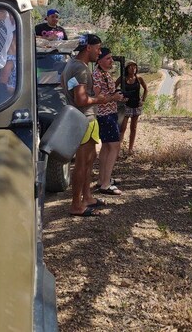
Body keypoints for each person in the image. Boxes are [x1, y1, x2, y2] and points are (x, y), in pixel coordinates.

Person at [61, 34, 124, 217]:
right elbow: (81, 99)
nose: (99, 52)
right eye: (98, 48)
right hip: (84, 120)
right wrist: (100, 99)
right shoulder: (81, 69)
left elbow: (66, 85)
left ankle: (87, 196)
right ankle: (76, 205)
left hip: (85, 119)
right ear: (88, 48)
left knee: (90, 160)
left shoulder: (71, 65)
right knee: (82, 164)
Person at [93, 48, 124, 195]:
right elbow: (98, 98)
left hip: (109, 113)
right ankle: (106, 184)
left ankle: (103, 179)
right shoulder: (98, 75)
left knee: (106, 147)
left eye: (111, 58)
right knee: (114, 146)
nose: (111, 61)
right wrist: (113, 98)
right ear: (99, 61)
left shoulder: (104, 73)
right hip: (105, 115)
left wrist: (117, 97)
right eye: (108, 58)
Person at [117, 61, 148, 155]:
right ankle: (117, 150)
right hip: (126, 106)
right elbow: (113, 87)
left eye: (134, 67)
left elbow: (146, 89)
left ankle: (130, 149)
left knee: (133, 128)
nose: (133, 69)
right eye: (130, 67)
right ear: (126, 68)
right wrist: (119, 98)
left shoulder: (139, 78)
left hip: (136, 105)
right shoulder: (122, 78)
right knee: (123, 128)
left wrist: (143, 100)